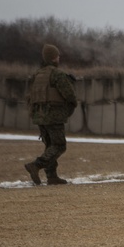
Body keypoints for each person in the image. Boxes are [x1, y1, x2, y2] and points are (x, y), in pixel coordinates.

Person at [24, 44, 78, 185]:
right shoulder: (57, 74)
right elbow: (69, 94)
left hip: (39, 115)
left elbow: (30, 96)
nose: (59, 58)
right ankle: (36, 165)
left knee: (50, 146)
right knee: (59, 145)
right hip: (53, 115)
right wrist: (73, 104)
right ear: (54, 58)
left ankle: (52, 176)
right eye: (58, 56)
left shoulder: (37, 74)